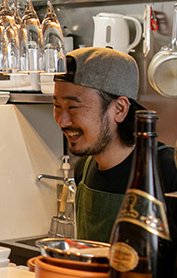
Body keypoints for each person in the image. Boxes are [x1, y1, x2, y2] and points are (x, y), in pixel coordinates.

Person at [53, 47, 177, 242]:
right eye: (57, 107)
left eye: (73, 107)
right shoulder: (83, 170)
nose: (62, 121)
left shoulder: (168, 169)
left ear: (119, 108)